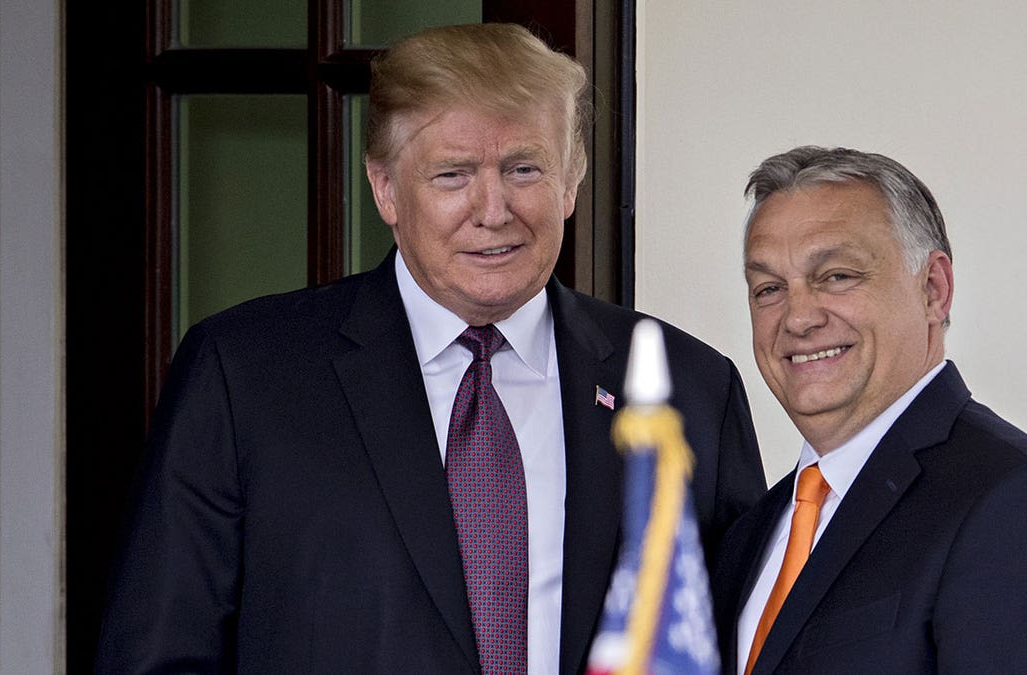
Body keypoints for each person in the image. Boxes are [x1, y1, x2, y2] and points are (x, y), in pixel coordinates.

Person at [96, 24, 766, 674]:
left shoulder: (690, 385)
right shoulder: (243, 375)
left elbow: (747, 647)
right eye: (452, 175)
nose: (493, 208)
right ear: (385, 187)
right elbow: (158, 654)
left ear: (572, 179)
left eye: (524, 168)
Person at [713, 146, 1027, 674]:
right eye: (769, 289)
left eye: (837, 276)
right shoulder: (746, 538)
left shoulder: (1022, 510)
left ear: (934, 290)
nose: (797, 318)